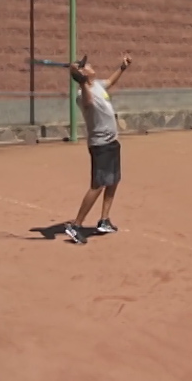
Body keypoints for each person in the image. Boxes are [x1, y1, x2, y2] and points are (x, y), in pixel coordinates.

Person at [64, 54, 132, 244]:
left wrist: (122, 67)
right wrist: (81, 80)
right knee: (98, 185)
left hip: (112, 141)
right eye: (86, 66)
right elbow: (89, 103)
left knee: (113, 180)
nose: (91, 65)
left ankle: (104, 220)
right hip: (100, 144)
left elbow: (110, 81)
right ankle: (76, 225)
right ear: (83, 74)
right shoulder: (81, 94)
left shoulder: (98, 85)